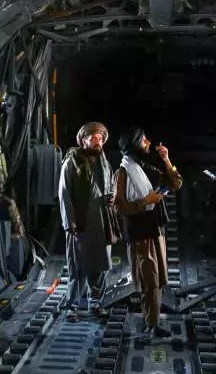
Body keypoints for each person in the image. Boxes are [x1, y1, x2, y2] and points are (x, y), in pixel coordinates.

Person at [112, 127, 183, 339]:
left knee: (157, 279)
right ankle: (150, 324)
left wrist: (166, 159)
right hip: (140, 234)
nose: (149, 143)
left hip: (155, 230)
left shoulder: (144, 168)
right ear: (134, 145)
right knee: (148, 279)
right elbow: (119, 206)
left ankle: (152, 322)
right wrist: (145, 202)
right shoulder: (123, 173)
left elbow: (176, 183)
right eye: (144, 141)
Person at [58, 121, 120, 322]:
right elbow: (64, 193)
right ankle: (72, 306)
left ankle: (96, 303)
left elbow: (110, 184)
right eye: (93, 138)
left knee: (99, 264)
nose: (97, 142)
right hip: (80, 222)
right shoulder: (72, 162)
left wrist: (112, 196)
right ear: (83, 140)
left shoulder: (104, 162)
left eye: (100, 138)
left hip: (102, 221)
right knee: (78, 267)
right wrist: (69, 222)